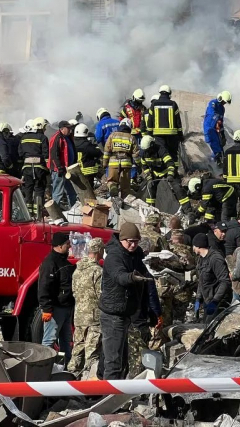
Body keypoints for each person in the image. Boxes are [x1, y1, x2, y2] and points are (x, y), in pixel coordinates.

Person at [98, 222, 153, 379]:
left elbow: (145, 282)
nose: (133, 244)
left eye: (136, 241)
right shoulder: (114, 256)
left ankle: (107, 392)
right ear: (121, 239)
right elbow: (119, 276)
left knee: (121, 362)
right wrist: (132, 277)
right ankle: (109, 398)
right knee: (114, 363)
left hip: (126, 313)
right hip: (113, 315)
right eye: (129, 241)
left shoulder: (135, 255)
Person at [68, 237, 104, 376]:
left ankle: (71, 376)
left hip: (79, 316)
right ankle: (89, 382)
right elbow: (101, 295)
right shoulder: (98, 272)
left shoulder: (77, 270)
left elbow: (74, 292)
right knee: (92, 352)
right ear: (99, 251)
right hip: (94, 318)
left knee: (77, 348)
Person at [38, 232, 75, 365]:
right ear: (59, 246)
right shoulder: (50, 263)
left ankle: (65, 367)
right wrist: (46, 308)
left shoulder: (64, 262)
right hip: (55, 309)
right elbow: (44, 286)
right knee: (49, 340)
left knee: (66, 340)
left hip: (66, 308)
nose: (70, 246)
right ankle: (43, 367)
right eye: (67, 244)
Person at [193, 233, 231, 322]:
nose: (192, 248)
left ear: (198, 246)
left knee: (210, 327)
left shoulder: (215, 259)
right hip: (208, 299)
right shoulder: (201, 259)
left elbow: (225, 281)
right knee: (205, 325)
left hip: (218, 301)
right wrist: (198, 298)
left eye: (193, 246)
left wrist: (215, 301)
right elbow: (202, 280)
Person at [145, 85, 184, 167]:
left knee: (162, 152)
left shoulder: (154, 104)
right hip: (172, 135)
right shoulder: (173, 104)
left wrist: (149, 134)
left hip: (158, 135)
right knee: (173, 153)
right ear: (169, 93)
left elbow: (150, 120)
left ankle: (164, 170)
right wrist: (180, 135)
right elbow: (178, 122)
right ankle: (174, 171)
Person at [20, 118, 50, 218]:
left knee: (28, 189)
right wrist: (48, 169)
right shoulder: (43, 138)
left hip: (27, 168)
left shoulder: (23, 138)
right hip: (39, 168)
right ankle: (38, 214)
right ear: (40, 126)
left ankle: (27, 214)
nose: (45, 129)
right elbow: (46, 154)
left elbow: (20, 153)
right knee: (39, 189)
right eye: (44, 127)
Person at [103, 119, 139, 199]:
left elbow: (106, 151)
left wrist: (105, 163)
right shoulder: (132, 137)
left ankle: (113, 187)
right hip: (126, 164)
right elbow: (135, 154)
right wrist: (139, 164)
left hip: (113, 163)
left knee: (111, 181)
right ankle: (124, 203)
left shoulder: (112, 135)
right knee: (125, 187)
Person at [137, 135, 174, 206]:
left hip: (166, 172)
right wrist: (150, 178)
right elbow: (145, 166)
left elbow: (170, 162)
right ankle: (151, 208)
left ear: (152, 146)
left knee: (177, 189)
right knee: (150, 187)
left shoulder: (161, 150)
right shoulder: (144, 154)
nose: (147, 152)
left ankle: (187, 210)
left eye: (148, 150)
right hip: (155, 173)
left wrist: (170, 174)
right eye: (145, 150)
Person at [48, 121, 77, 207]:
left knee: (71, 191)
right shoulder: (57, 138)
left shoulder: (68, 137)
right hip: (59, 170)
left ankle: (73, 209)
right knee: (58, 192)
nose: (70, 129)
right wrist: (59, 167)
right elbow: (53, 154)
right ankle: (55, 213)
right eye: (68, 128)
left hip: (68, 169)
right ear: (62, 129)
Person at [203, 91, 231, 165]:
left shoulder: (222, 109)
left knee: (220, 148)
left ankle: (216, 164)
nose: (224, 104)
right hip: (209, 128)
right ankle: (210, 163)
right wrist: (217, 120)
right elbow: (211, 114)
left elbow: (221, 122)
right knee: (215, 147)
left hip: (216, 130)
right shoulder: (213, 103)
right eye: (224, 102)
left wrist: (223, 135)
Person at [74, 124, 103, 193]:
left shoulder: (73, 143)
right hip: (88, 170)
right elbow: (98, 153)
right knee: (89, 190)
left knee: (82, 190)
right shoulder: (86, 144)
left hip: (78, 170)